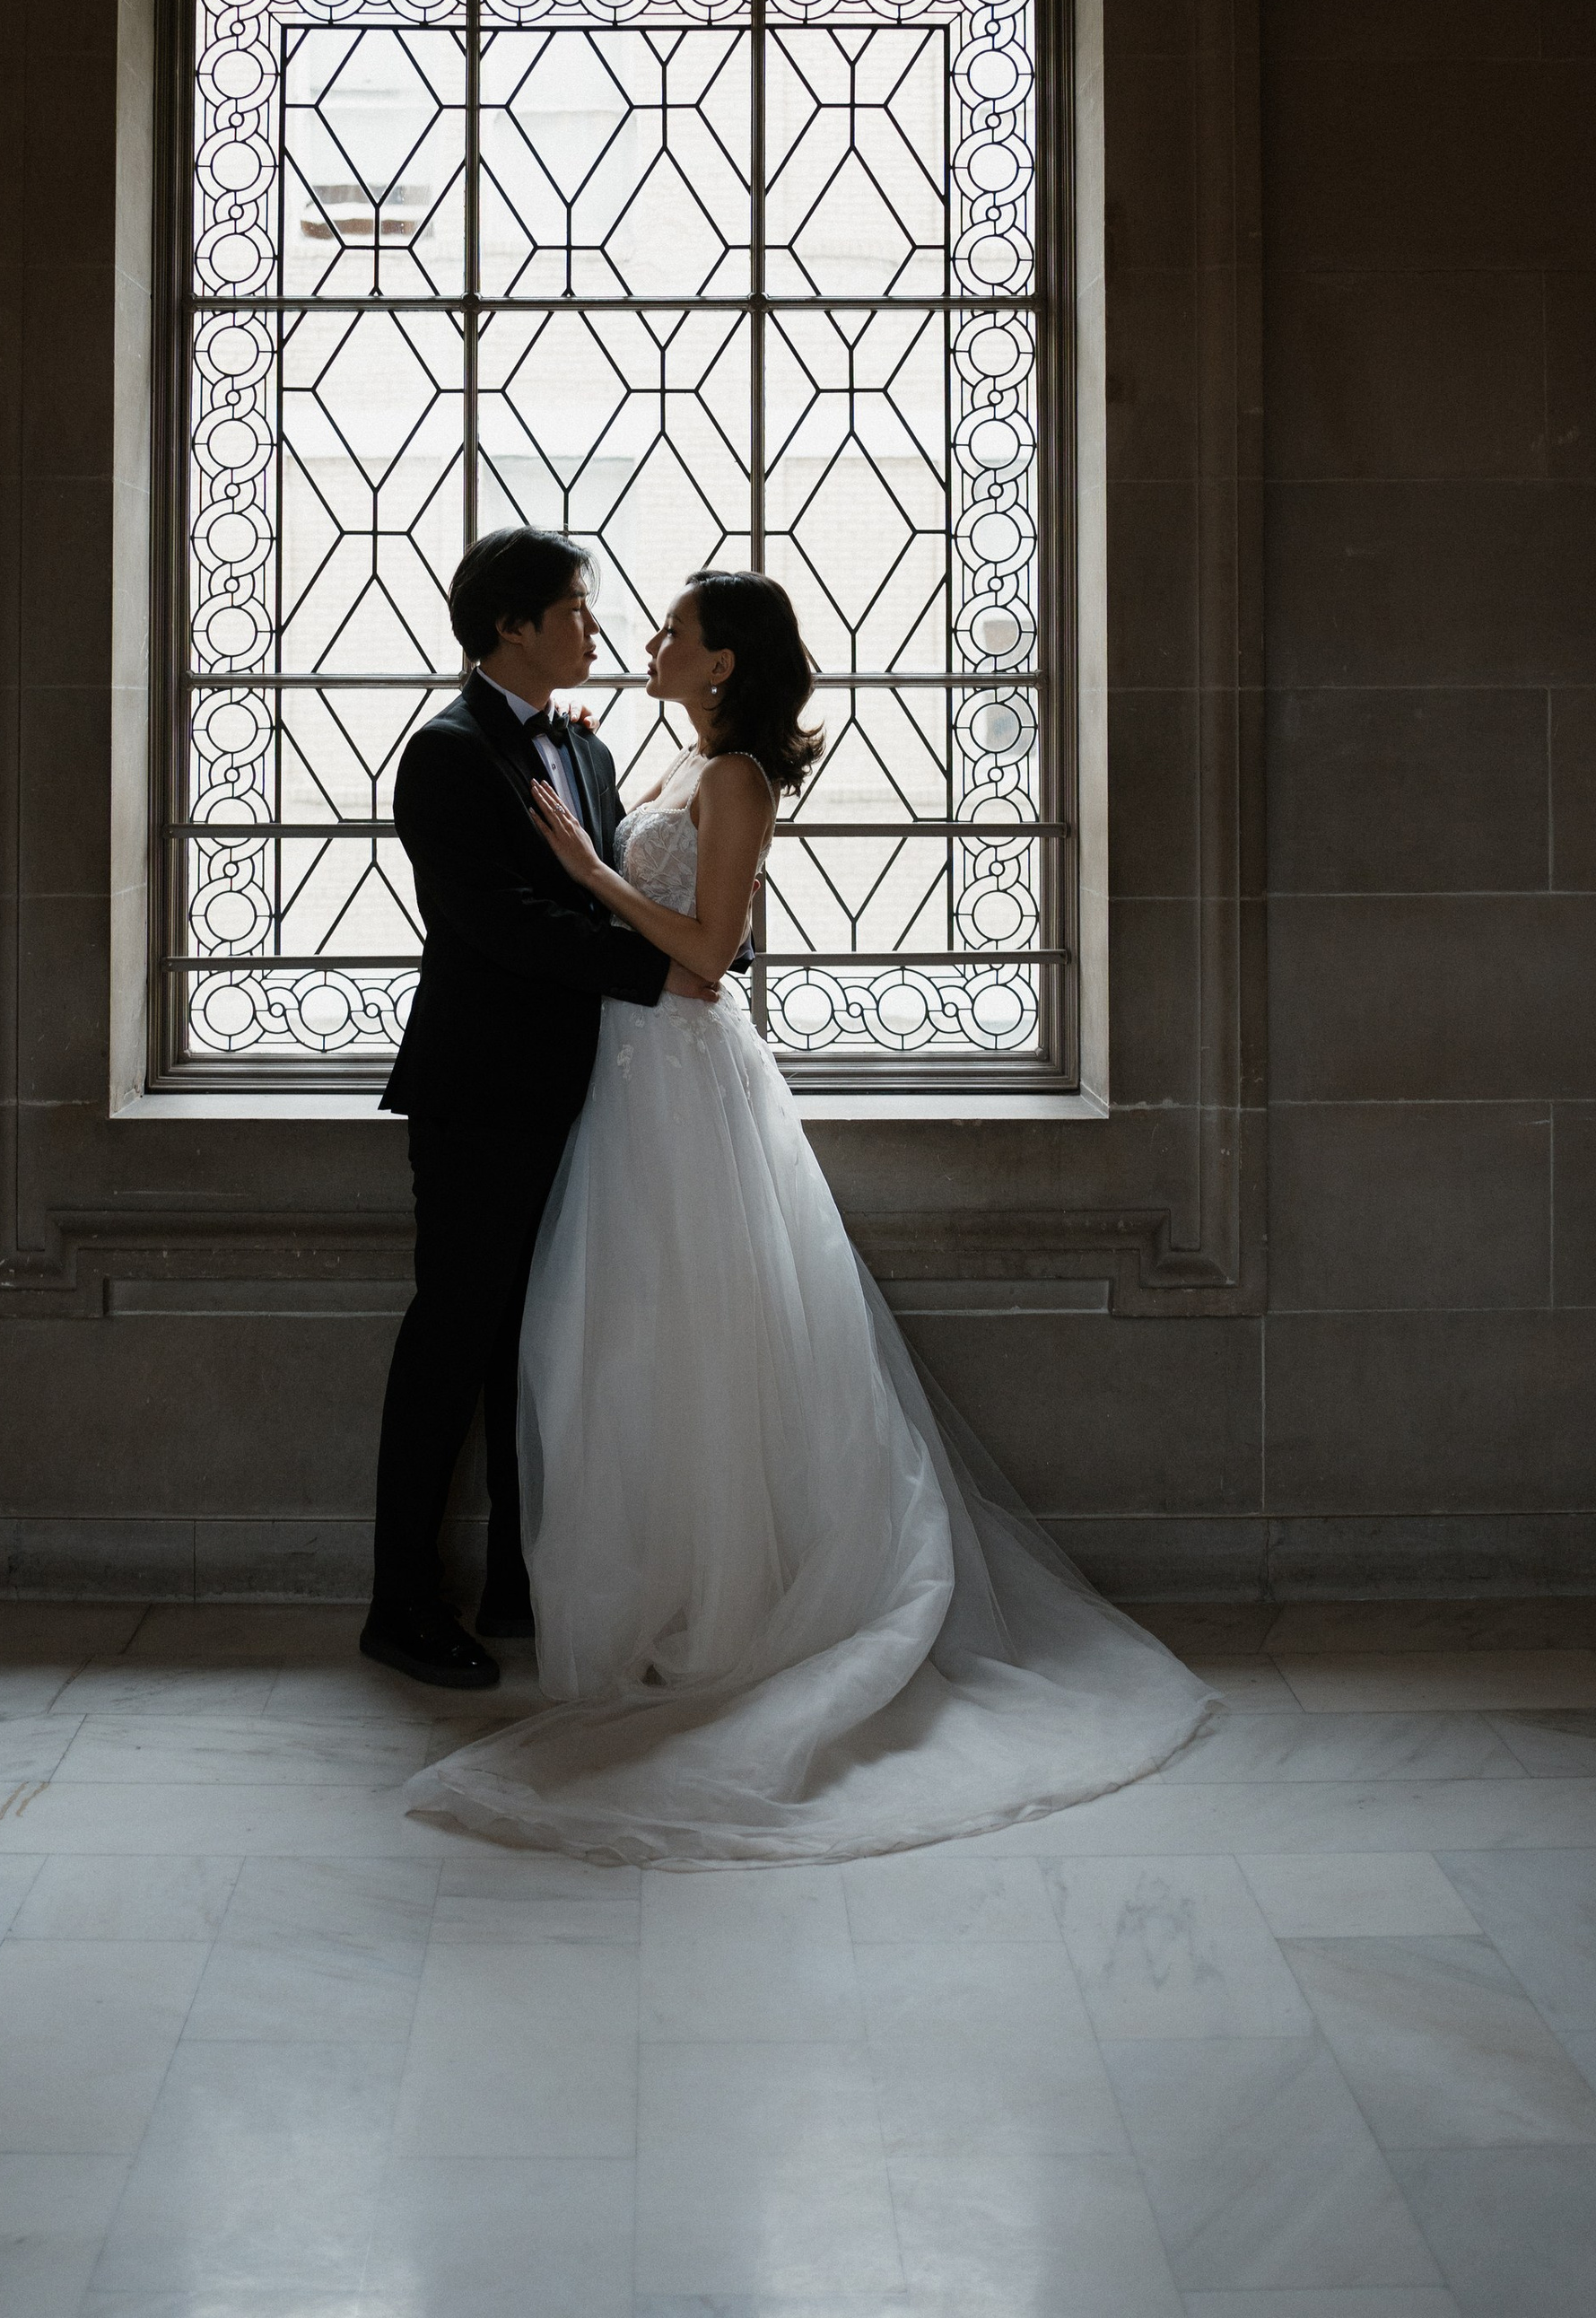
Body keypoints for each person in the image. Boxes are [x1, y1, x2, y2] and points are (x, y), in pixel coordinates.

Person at [404, 568, 1216, 1862]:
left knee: (693, 1327)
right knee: (614, 1335)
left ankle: (721, 1605)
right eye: (635, 621)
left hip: (675, 1069)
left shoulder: (733, 782)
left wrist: (581, 867)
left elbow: (708, 949)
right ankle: (623, 1586)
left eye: (674, 631)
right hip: (619, 1073)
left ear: (723, 665)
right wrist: (589, 863)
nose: (645, 642)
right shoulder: (651, 762)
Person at [361, 526, 719, 1693]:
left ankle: (523, 1581)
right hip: (481, 1096)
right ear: (511, 623)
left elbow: (611, 889)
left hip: (592, 1095)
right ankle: (401, 1605)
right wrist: (667, 974)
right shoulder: (446, 756)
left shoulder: (586, 751)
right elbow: (502, 923)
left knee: (544, 1340)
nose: (597, 627)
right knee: (454, 1340)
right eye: (574, 606)